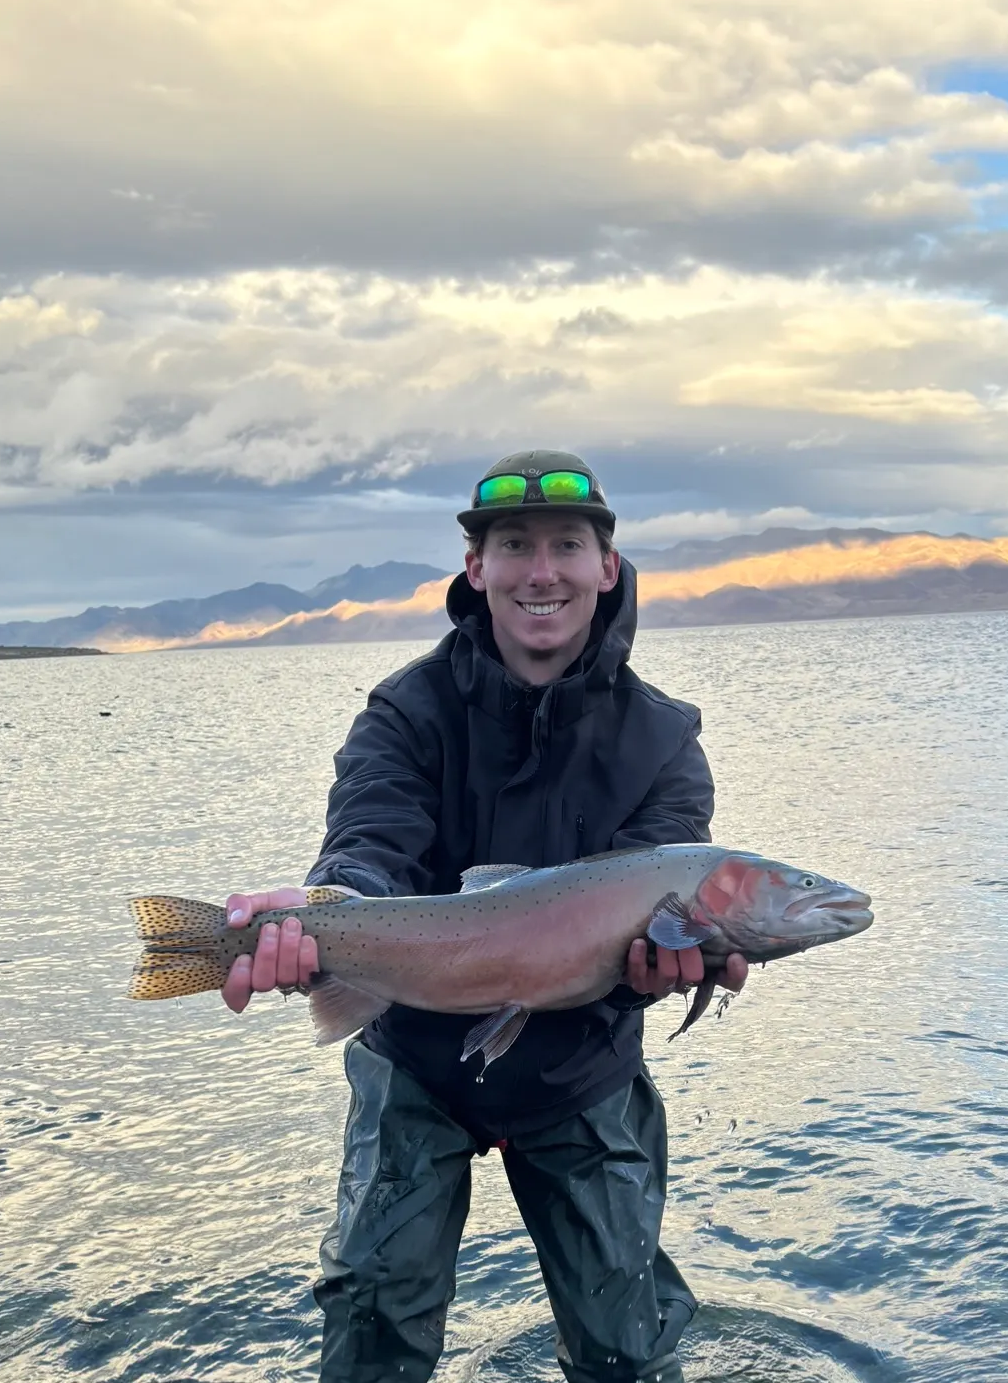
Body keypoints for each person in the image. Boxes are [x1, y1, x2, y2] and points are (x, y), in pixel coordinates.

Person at [220, 450, 748, 1383]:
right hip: (413, 1057)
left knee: (626, 1342)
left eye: (566, 546)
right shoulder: (406, 711)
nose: (540, 571)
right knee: (371, 1322)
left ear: (606, 567)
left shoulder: (664, 738)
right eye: (513, 545)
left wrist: (670, 967)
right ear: (476, 569)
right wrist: (324, 910)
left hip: (579, 1070)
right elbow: (369, 837)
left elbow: (666, 901)